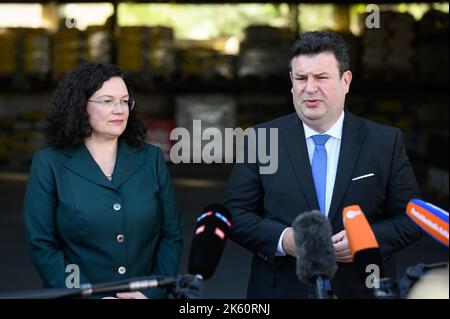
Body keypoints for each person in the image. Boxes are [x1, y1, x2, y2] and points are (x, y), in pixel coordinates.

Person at [224, 31, 423, 298]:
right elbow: (235, 214)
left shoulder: (384, 142)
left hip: (361, 290)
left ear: (346, 81)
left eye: (321, 77)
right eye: (301, 78)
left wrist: (365, 240)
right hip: (281, 291)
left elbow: (413, 217)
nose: (310, 88)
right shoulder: (262, 139)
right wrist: (284, 240)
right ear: (291, 82)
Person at [23, 62, 183, 299]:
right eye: (107, 101)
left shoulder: (151, 159)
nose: (119, 109)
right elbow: (43, 246)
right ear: (79, 106)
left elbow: (171, 235)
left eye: (124, 100)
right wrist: (88, 294)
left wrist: (153, 292)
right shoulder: (49, 164)